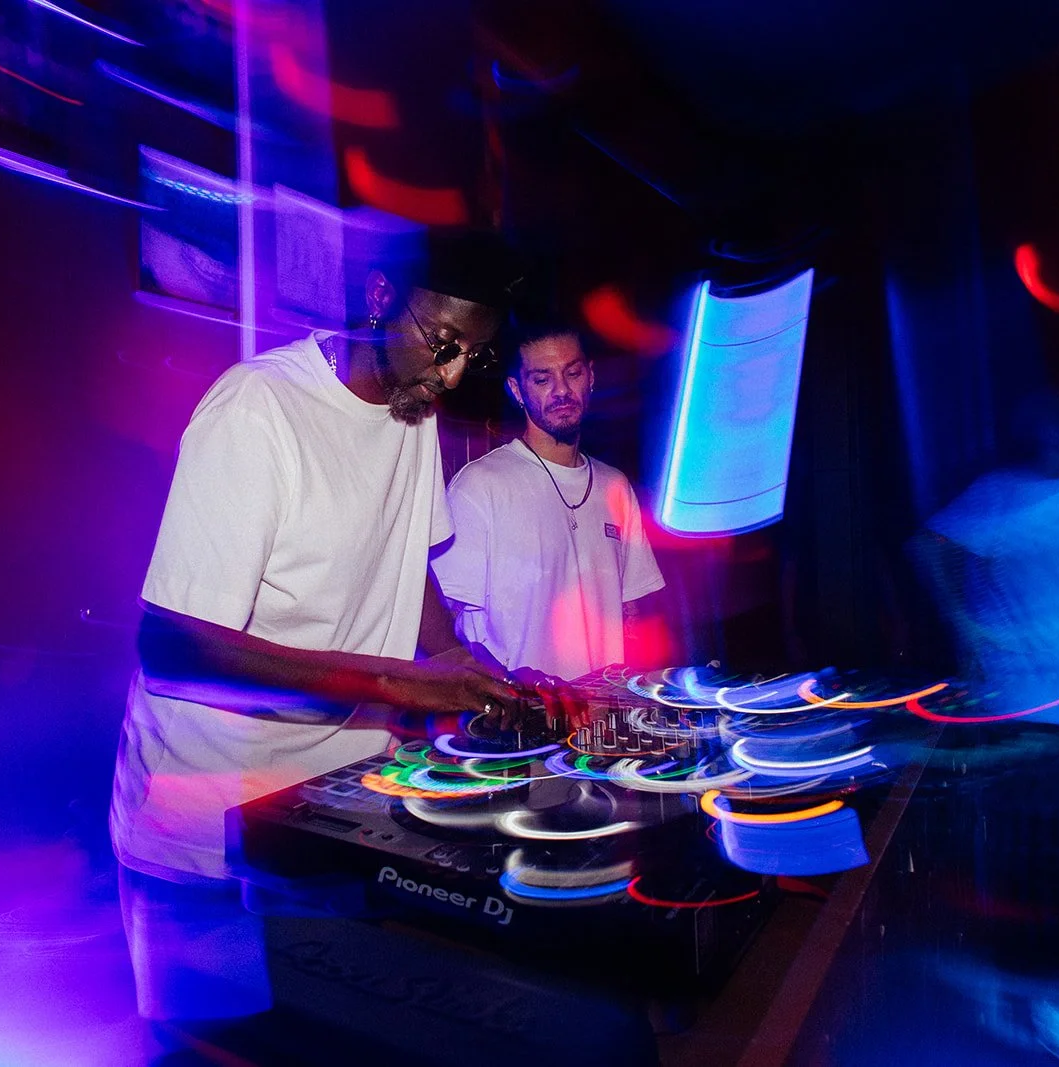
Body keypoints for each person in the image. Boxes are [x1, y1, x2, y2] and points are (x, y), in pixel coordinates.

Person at [109, 231, 530, 1038]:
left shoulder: (411, 409)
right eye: (441, 342)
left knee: (341, 1040)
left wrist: (458, 661)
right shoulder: (257, 410)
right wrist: (395, 681)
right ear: (379, 298)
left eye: (472, 357)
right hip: (207, 826)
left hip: (332, 811)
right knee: (220, 1047)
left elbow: (406, 559)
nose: (449, 376)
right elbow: (172, 647)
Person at [432, 321, 667, 684]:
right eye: (542, 379)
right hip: (522, 714)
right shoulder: (480, 486)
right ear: (517, 389)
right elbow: (445, 625)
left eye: (572, 373)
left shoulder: (615, 486)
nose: (561, 390)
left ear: (590, 377)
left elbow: (632, 611)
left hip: (603, 711)